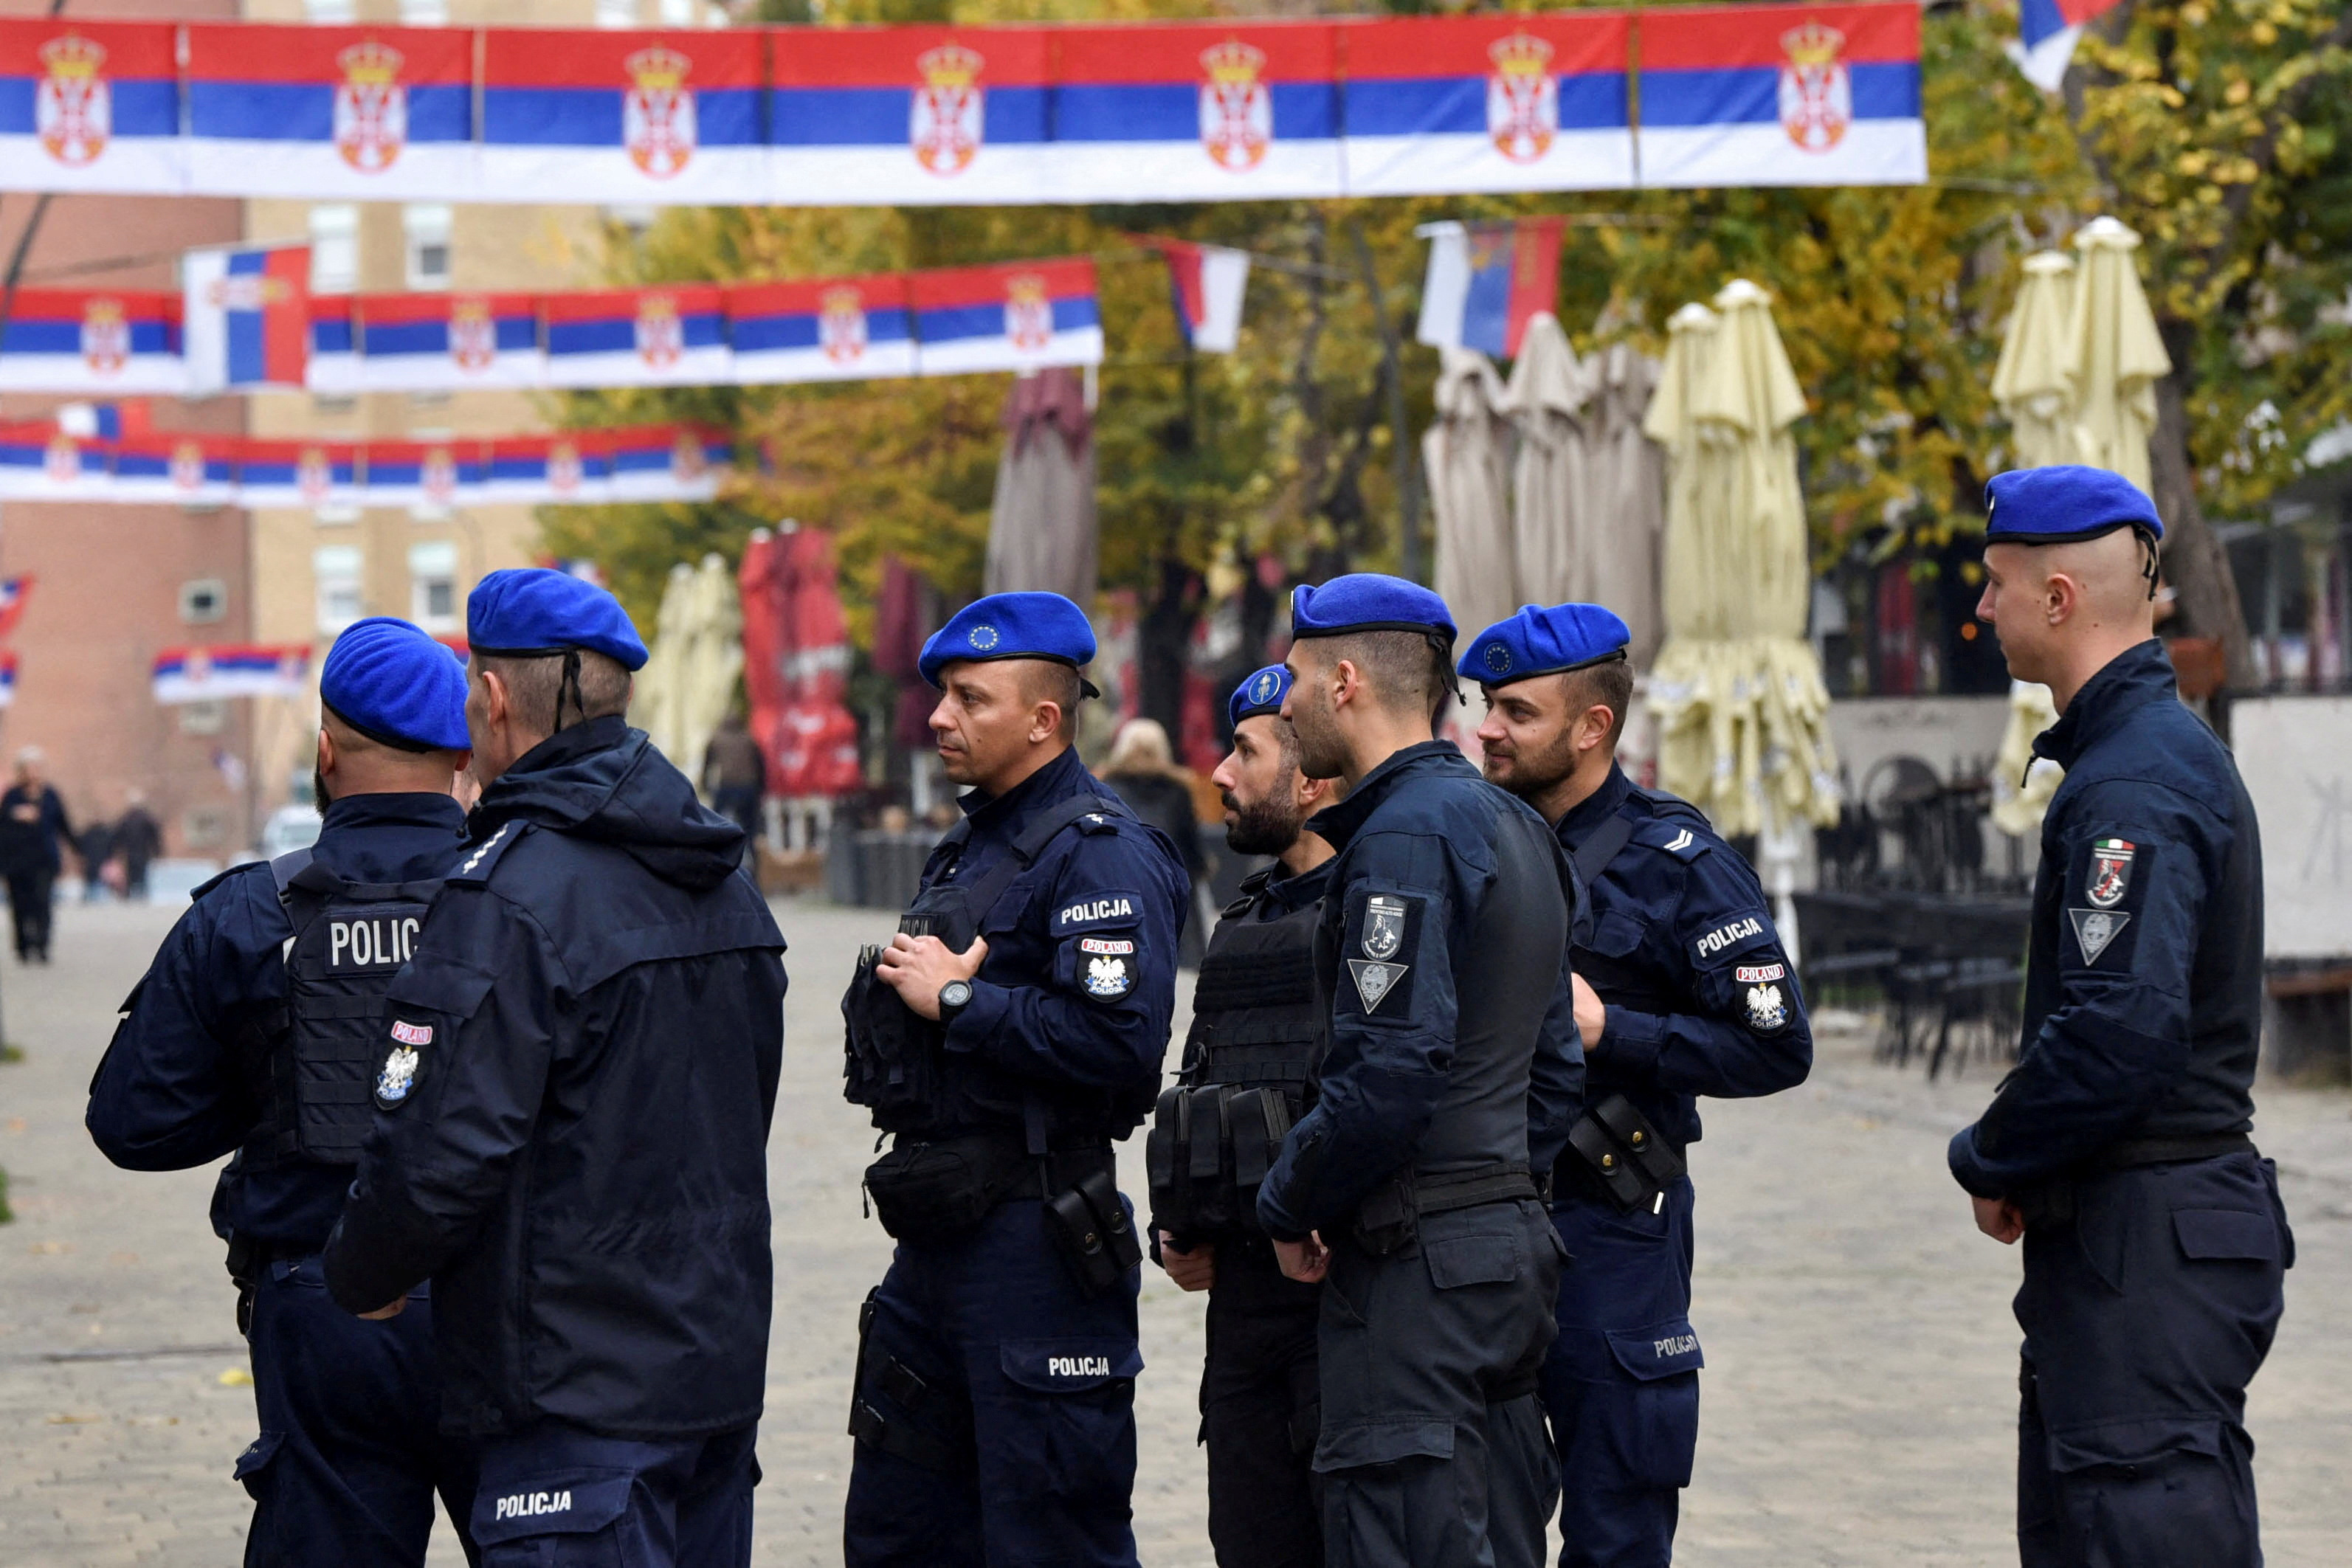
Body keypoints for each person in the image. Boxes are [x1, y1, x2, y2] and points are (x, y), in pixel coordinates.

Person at [321, 570, 787, 1568]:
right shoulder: (723, 879)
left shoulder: (508, 896)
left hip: (567, 1391)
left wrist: (364, 1270)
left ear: (492, 701)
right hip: (711, 1378)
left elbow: (441, 1143)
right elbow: (748, 1098)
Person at [86, 617, 481, 1567]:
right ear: (468, 752)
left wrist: (274, 1082)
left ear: (323, 750)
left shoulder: (249, 912)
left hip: (322, 1302)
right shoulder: (530, 898)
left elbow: (134, 1121)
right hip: (508, 1303)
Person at [1949, 467, 2289, 1568]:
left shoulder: (2131, 781)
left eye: (1994, 585)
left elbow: (2115, 1032)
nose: (1978, 610)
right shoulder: (2130, 754)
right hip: (2133, 1235)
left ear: (2055, 597)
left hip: (2144, 1244)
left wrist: (1990, 1151)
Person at [839, 590, 1189, 1568]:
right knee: (899, 1531)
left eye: (968, 698)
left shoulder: (1100, 852)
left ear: (1044, 717)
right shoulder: (970, 843)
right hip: (933, 1241)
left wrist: (960, 1003)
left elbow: (1121, 1047)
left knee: (1049, 1536)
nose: (940, 718)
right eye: (942, 695)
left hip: (1035, 1244)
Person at [1461, 602, 1813, 1568]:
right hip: (1472, 1235)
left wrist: (1610, 1029)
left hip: (1608, 1231)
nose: (1487, 727)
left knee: (1614, 1526)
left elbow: (1774, 1047)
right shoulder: (1465, 846)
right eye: (1486, 706)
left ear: (1592, 726)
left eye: (1517, 712)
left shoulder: (1676, 864)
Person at [1258, 574, 1584, 1568]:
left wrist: (1288, 1198)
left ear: (1344, 681)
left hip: (1415, 1271)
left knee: (1402, 1533)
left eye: (1295, 678)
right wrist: (1491, 1192)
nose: (1280, 702)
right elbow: (1554, 1067)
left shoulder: (1400, 837)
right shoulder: (1513, 823)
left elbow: (1384, 1071)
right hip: (1500, 1245)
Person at [1148, 665, 1344, 1568]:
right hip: (1244, 1307)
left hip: (1344, 1297)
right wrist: (1177, 1224)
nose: (1220, 774)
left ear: (1313, 779)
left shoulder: (1376, 913)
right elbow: (1203, 1081)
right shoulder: (1245, 913)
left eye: (1245, 753)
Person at [1101, 717, 1213, 962]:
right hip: (1172, 884)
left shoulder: (1106, 787)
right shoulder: (1178, 789)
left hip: (1119, 885)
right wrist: (1203, 866)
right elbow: (1188, 839)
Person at [0, 745, 73, 960]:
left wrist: (77, 849)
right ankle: (23, 946)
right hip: (16, 861)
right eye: (29, 767)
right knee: (20, 906)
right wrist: (16, 816)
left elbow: (63, 824)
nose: (33, 772)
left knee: (43, 903)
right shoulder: (12, 796)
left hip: (44, 859)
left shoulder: (50, 795)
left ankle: (42, 945)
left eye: (37, 767)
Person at [703, 708, 766, 846]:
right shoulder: (749, 739)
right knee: (750, 827)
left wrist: (705, 785)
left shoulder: (716, 739)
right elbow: (760, 764)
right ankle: (754, 861)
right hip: (748, 786)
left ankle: (715, 851)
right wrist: (762, 787)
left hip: (726, 785)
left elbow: (707, 764)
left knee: (715, 823)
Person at [117, 787, 163, 901]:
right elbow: (155, 836)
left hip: (132, 854)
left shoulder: (126, 819)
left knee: (133, 877)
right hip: (143, 853)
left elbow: (118, 837)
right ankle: (142, 896)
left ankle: (133, 895)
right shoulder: (146, 818)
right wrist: (157, 851)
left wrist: (117, 851)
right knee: (142, 877)